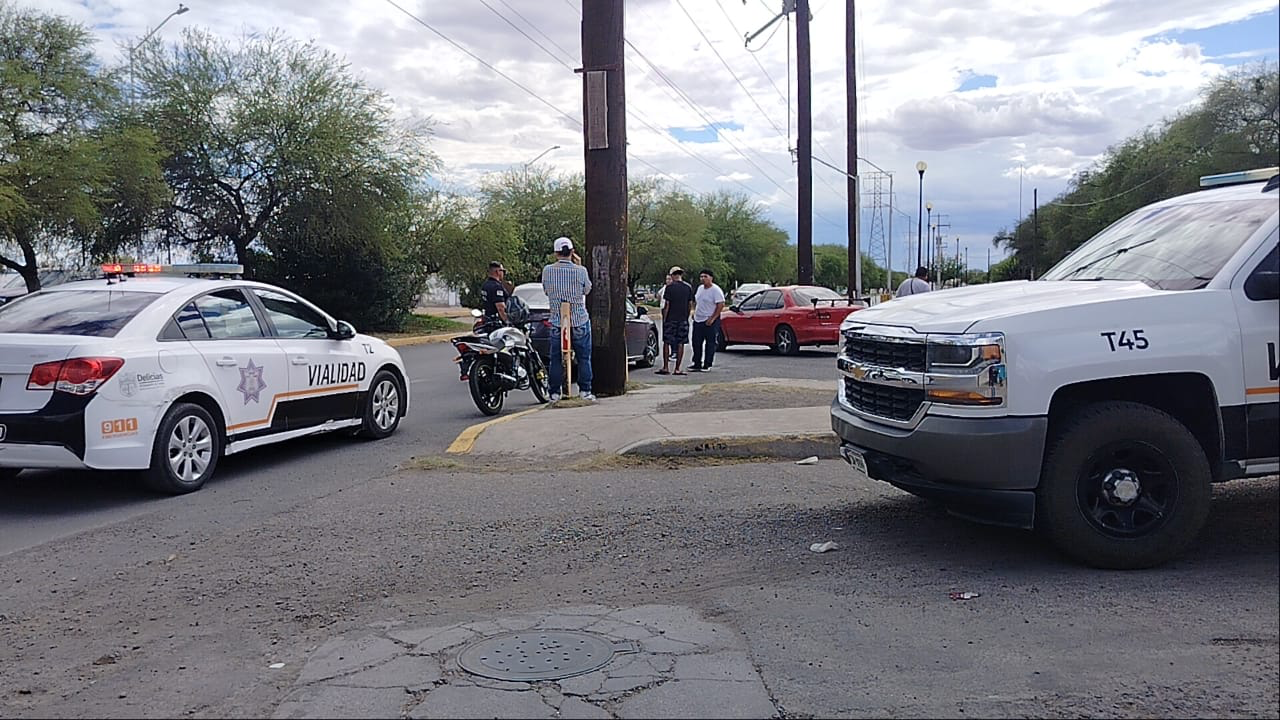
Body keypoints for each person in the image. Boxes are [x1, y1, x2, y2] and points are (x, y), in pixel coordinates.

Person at [541, 237, 594, 402]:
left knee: (555, 359)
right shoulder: (581, 270)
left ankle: (555, 393)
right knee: (584, 358)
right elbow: (587, 289)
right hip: (579, 320)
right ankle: (585, 391)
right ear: (572, 251)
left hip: (558, 321)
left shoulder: (548, 270)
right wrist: (578, 265)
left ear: (556, 253)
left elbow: (546, 290)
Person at [656, 267, 693, 376]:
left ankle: (666, 367)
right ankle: (677, 368)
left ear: (672, 275)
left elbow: (667, 304)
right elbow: (690, 304)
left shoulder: (670, 288)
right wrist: (686, 316)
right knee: (681, 343)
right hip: (682, 318)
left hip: (671, 318)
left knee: (667, 342)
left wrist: (665, 318)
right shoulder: (688, 288)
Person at [689, 268, 725, 372]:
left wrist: (713, 318)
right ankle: (697, 363)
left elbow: (720, 304)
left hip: (710, 320)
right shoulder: (700, 288)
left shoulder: (715, 290)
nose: (703, 279)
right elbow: (697, 301)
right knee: (696, 342)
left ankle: (707, 364)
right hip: (698, 319)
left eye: (705, 277)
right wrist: (694, 312)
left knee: (710, 343)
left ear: (711, 278)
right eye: (701, 277)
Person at [480, 261, 509, 326]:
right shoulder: (496, 287)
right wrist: (508, 322)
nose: (503, 274)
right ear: (497, 272)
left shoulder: (485, 285)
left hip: (487, 319)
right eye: (502, 271)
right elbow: (501, 308)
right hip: (496, 323)